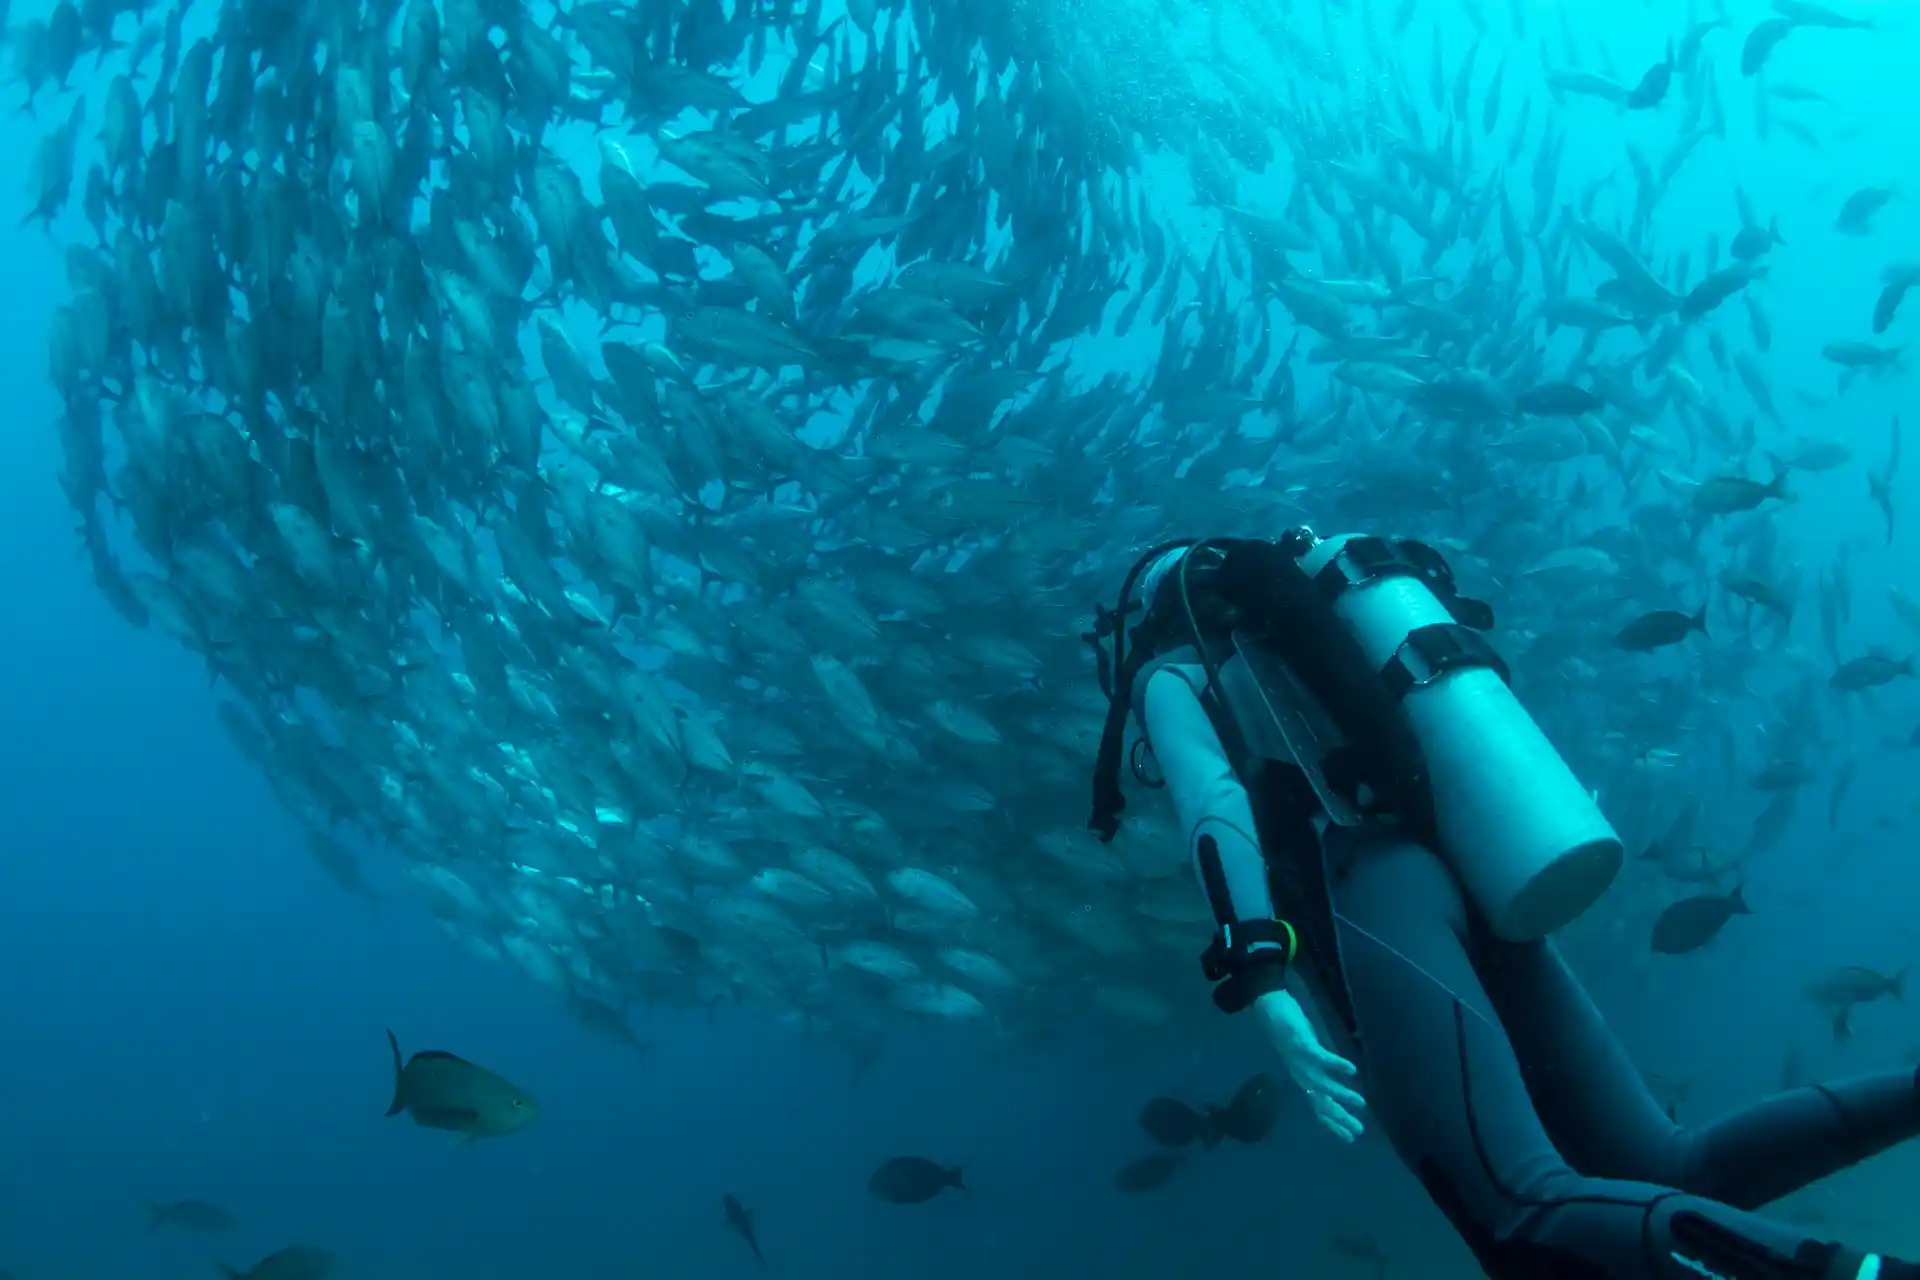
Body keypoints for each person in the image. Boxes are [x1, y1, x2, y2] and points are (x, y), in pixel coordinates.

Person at [1084, 530, 1920, 1280]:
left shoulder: (1174, 676)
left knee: (1517, 1212)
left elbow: (1213, 807)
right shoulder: (1312, 651)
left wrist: (1263, 977)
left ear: (1157, 614)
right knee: (1667, 1167)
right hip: (1473, 873)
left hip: (1374, 897)